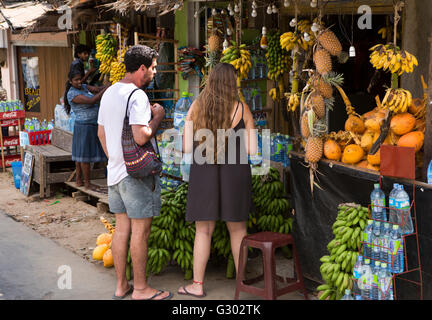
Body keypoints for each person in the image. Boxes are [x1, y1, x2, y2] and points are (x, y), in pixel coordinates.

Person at [97, 45, 172, 300]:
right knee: (141, 232)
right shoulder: (137, 96)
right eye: (152, 67)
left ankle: (121, 286)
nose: (153, 72)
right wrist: (158, 116)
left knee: (121, 230)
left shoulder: (108, 93)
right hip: (136, 176)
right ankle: (141, 289)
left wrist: (116, 159)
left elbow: (101, 134)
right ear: (141, 69)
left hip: (115, 174)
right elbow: (141, 136)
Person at [177, 63, 258, 298]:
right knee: (238, 229)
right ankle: (242, 285)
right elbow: (252, 150)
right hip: (235, 173)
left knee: (203, 230)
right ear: (232, 83)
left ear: (210, 81)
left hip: (204, 173)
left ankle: (197, 285)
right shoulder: (241, 109)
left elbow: (183, 147)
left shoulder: (196, 107)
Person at [63, 69, 108, 191]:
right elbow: (92, 101)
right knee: (84, 156)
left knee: (81, 155)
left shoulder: (83, 86)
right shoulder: (72, 94)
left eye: (80, 79)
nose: (79, 82)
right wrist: (107, 90)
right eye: (76, 80)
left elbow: (97, 90)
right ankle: (87, 184)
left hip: (90, 124)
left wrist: (107, 86)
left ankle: (79, 180)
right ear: (70, 81)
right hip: (84, 126)